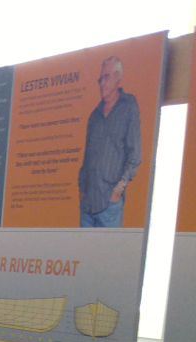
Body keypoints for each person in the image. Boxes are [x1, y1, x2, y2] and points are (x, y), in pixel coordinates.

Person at [78, 56, 142, 228]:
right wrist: (82, 191)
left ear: (117, 76)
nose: (102, 83)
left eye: (106, 77)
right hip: (87, 206)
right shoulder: (94, 116)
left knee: (107, 254)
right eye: (100, 78)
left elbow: (134, 153)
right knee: (84, 254)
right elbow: (87, 158)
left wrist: (119, 189)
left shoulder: (128, 105)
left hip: (109, 205)